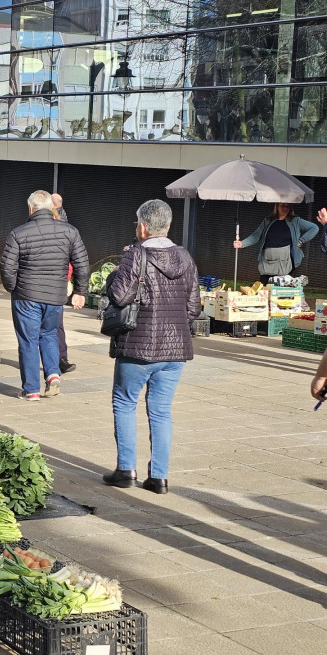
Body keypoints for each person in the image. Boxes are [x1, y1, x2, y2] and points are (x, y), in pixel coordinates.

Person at [102, 200, 200, 495]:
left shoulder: (136, 256)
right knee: (161, 411)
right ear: (168, 226)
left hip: (138, 347)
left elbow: (119, 297)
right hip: (175, 350)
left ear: (143, 227)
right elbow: (194, 307)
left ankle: (126, 469)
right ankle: (159, 478)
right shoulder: (185, 257)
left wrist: (113, 274)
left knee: (125, 403)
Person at [0, 189, 88, 402]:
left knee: (28, 341)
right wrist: (80, 291)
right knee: (49, 334)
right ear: (51, 207)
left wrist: (12, 287)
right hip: (55, 296)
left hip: (26, 295)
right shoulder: (70, 232)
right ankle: (53, 374)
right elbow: (81, 262)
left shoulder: (18, 233)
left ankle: (31, 389)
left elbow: (6, 267)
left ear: (31, 208)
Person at [232, 203, 319, 284]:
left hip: (285, 264)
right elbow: (256, 235)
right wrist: (242, 243)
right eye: (282, 205)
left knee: (281, 288)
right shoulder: (268, 220)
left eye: (287, 206)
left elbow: (314, 228)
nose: (285, 208)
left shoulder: (295, 221)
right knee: (265, 286)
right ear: (277, 206)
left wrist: (301, 241)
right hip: (267, 262)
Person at [51, 195, 76, 374]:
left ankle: (58, 360)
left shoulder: (63, 228)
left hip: (53, 284)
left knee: (52, 326)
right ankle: (60, 360)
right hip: (57, 284)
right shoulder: (69, 229)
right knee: (55, 325)